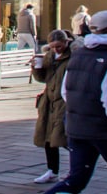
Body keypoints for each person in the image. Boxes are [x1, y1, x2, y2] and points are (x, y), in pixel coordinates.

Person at [46, 10, 107, 194]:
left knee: (76, 179)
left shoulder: (78, 55)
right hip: (106, 131)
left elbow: (66, 92)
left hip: (77, 128)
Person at [31, 30, 74, 184]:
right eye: (53, 47)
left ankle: (76, 169)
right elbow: (43, 78)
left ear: (66, 42)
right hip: (48, 101)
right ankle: (52, 171)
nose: (56, 49)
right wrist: (36, 68)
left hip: (64, 101)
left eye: (59, 46)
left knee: (62, 137)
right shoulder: (49, 55)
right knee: (48, 138)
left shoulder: (72, 57)